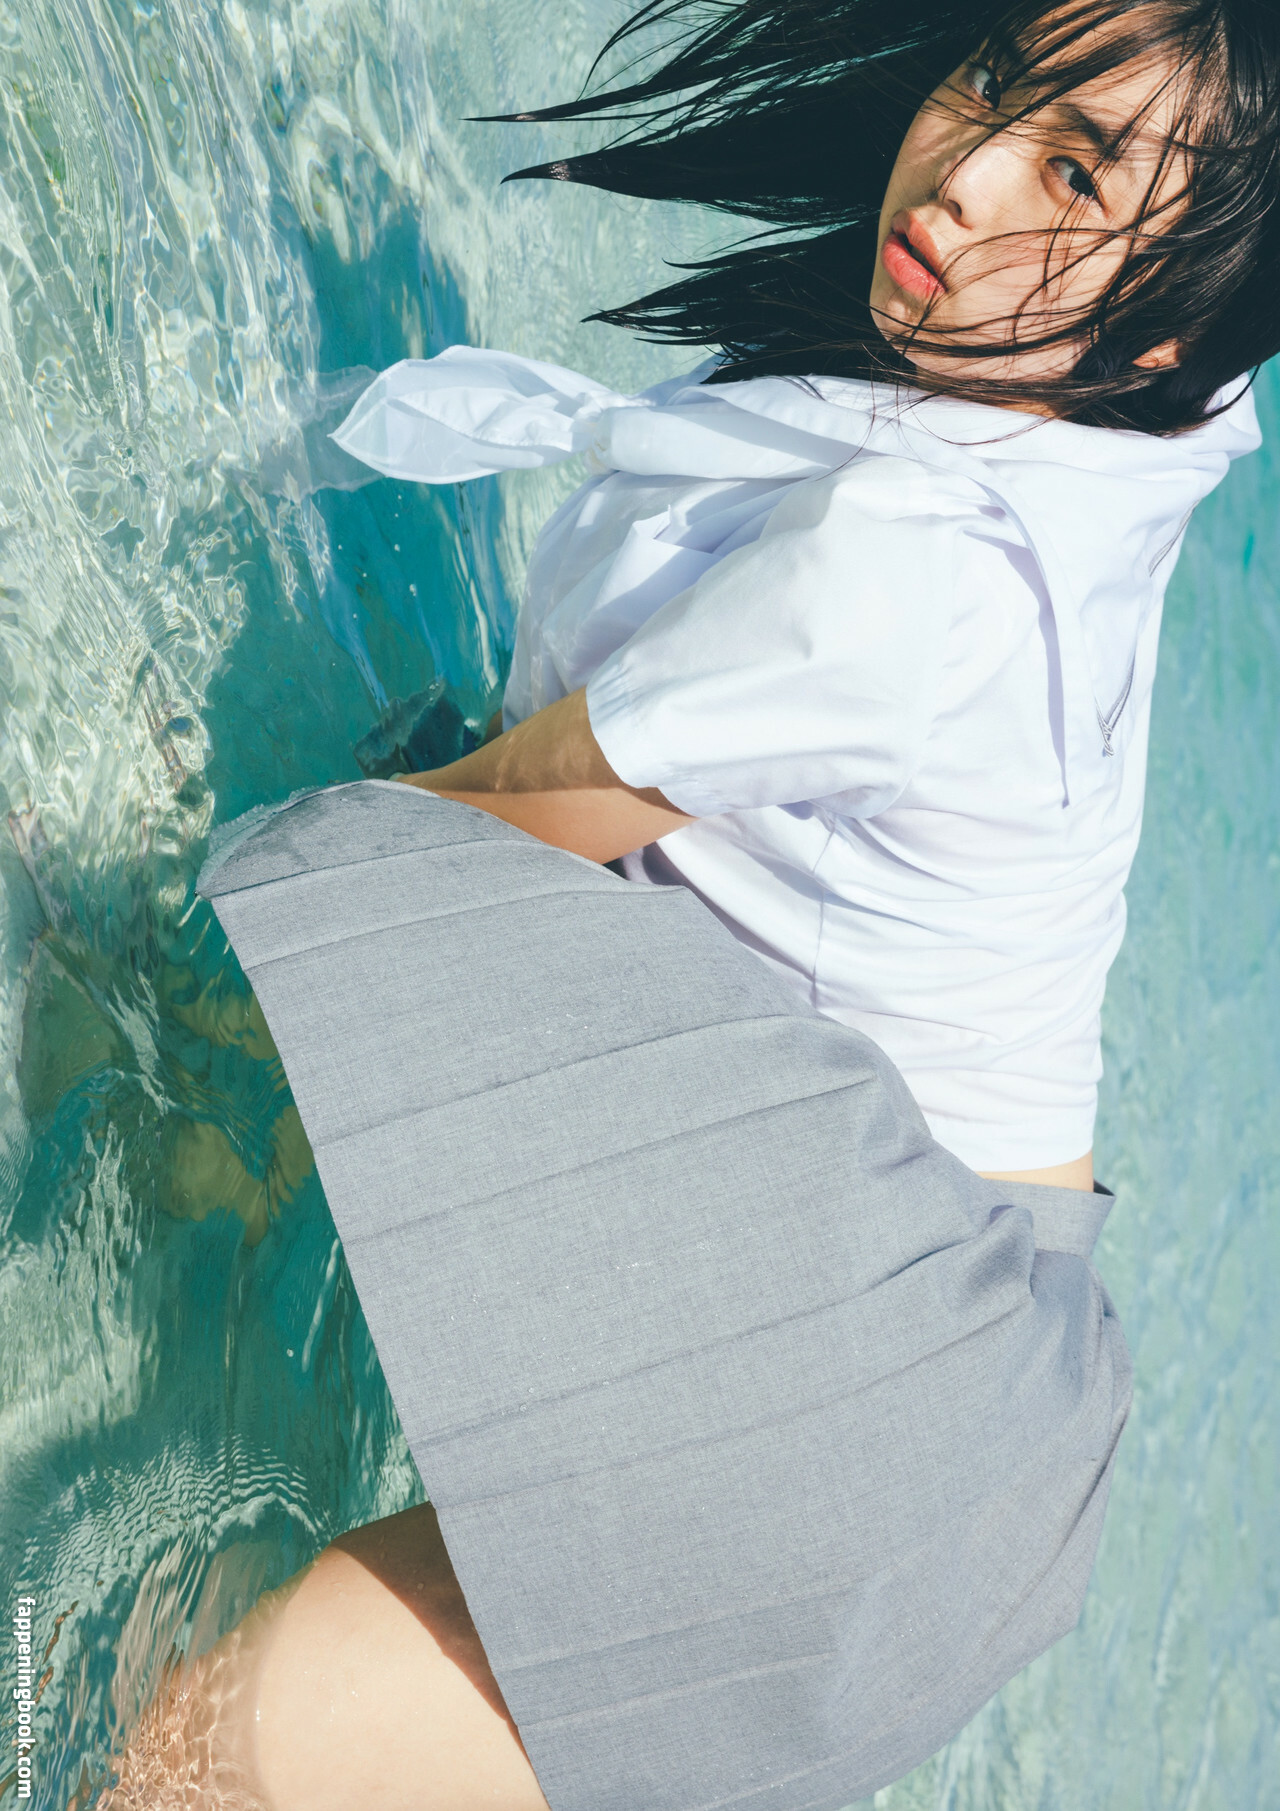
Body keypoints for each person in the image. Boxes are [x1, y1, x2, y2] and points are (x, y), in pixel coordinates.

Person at [100, 0, 1274, 1805]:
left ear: (1177, 316)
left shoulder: (916, 570)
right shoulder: (1128, 429)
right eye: (995, 84)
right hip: (962, 1342)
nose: (963, 179)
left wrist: (135, 931)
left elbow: (477, 833)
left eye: (1074, 173)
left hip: (865, 1391)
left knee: (203, 1753)